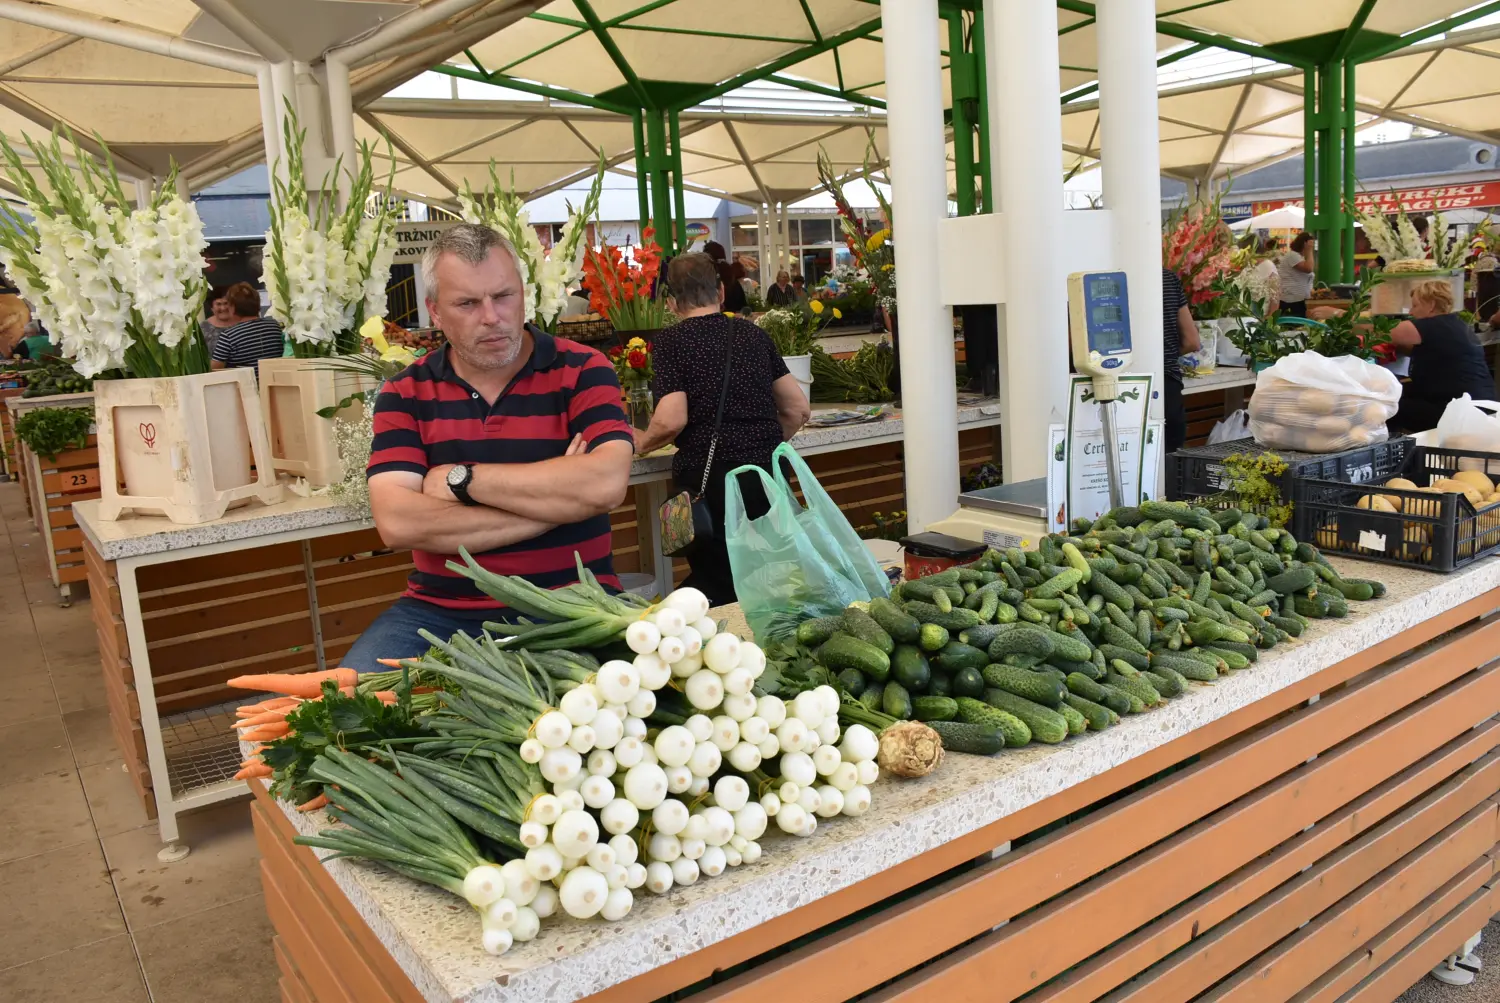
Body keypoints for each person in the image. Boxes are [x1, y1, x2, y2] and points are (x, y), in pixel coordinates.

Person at [342, 223, 635, 672]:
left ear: (523, 293)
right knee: (348, 704)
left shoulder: (582, 369)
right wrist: (553, 506)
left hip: (576, 604)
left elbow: (606, 484)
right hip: (439, 614)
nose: (492, 316)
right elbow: (397, 522)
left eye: (504, 296)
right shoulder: (404, 393)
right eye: (468, 303)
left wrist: (462, 480)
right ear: (435, 311)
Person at [633, 252, 811, 606]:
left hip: (709, 481)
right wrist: (761, 444)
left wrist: (640, 443)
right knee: (767, 575)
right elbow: (797, 408)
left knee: (719, 582)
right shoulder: (752, 335)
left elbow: (671, 419)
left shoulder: (671, 343)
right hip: (766, 475)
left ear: (671, 303)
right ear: (720, 292)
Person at [1388, 280, 1495, 434]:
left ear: (1431, 305)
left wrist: (1345, 317)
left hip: (1457, 412)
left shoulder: (1429, 325)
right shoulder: (1458, 325)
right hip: (1483, 406)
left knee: (1385, 406)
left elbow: (1379, 332)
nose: (1411, 312)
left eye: (1415, 305)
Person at [1163, 266, 1201, 454]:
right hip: (1167, 386)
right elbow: (1192, 341)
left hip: (1120, 389)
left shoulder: (1103, 277)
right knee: (1167, 472)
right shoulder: (1168, 278)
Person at [210, 282, 285, 376]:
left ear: (233, 308)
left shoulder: (229, 336)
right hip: (276, 384)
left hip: (247, 387)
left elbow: (214, 369)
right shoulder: (274, 326)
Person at [1277, 232, 1316, 317]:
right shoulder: (1292, 255)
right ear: (1304, 243)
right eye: (1311, 243)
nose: (1312, 245)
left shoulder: (1299, 257)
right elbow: (1308, 268)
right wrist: (1309, 250)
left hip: (1299, 299)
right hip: (1292, 300)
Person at [703, 240, 747, 314]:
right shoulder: (731, 276)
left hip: (712, 320)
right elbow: (742, 305)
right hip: (734, 319)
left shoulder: (705, 277)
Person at [200, 287, 235, 356]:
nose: (223, 308)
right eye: (218, 304)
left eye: (226, 303)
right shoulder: (203, 327)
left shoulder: (240, 323)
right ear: (212, 307)